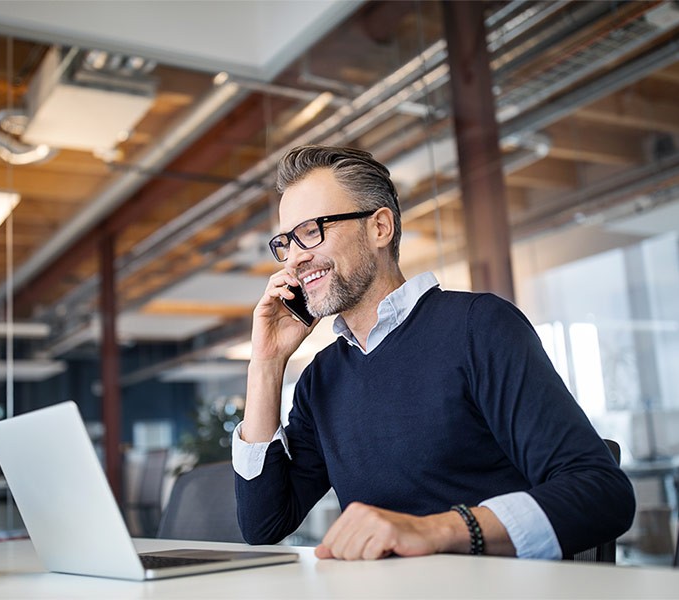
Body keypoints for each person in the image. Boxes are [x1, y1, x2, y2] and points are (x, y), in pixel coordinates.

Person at [232, 145, 635, 561]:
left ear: (380, 228)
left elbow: (602, 493)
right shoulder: (322, 378)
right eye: (285, 242)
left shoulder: (479, 327)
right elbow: (264, 524)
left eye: (312, 230)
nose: (295, 258)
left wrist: (435, 530)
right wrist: (266, 364)